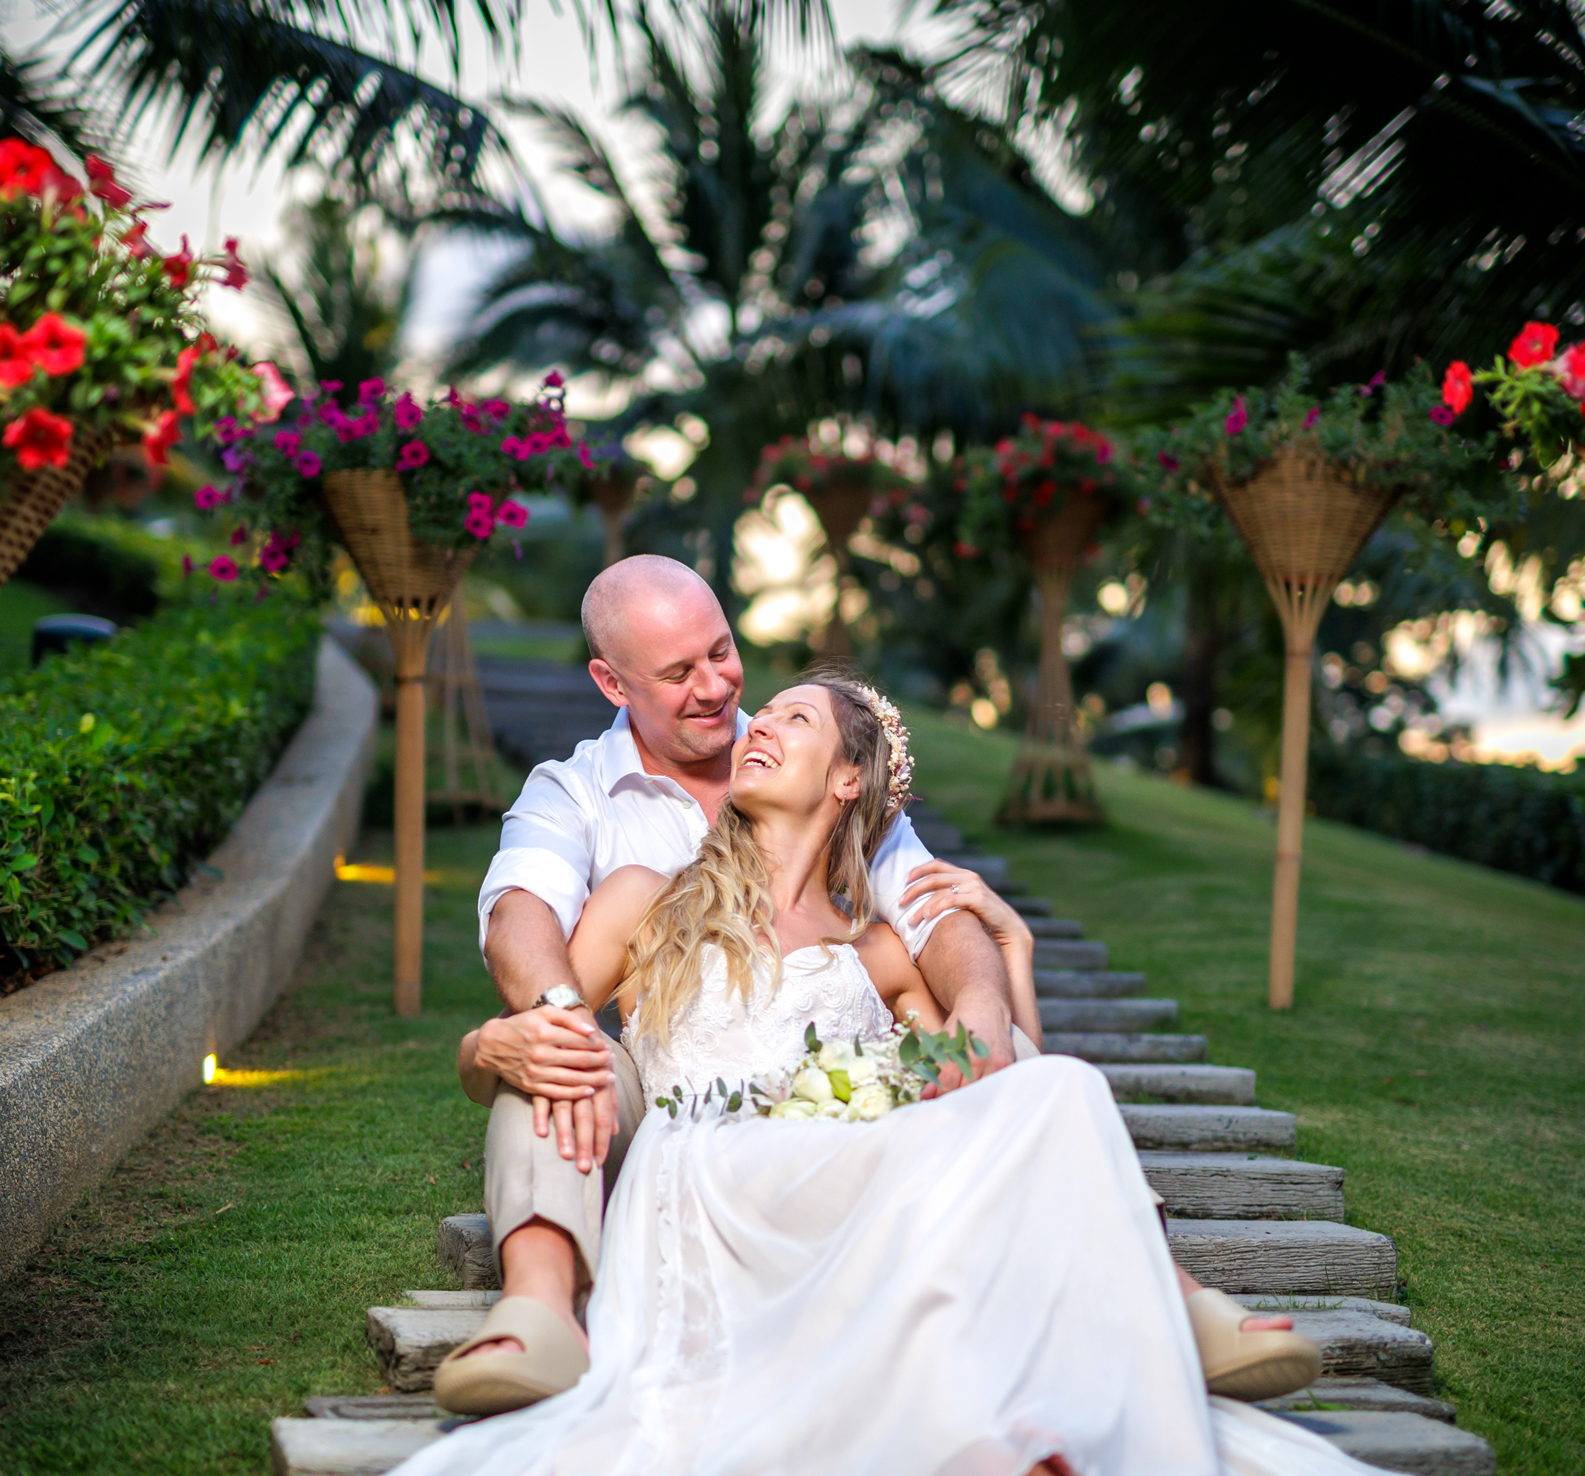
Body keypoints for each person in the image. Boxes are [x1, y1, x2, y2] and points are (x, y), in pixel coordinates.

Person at [307, 674, 1426, 1476]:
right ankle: (984, 1454)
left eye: (790, 720)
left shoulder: (874, 944)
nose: (756, 725)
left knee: (1063, 1082)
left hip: (853, 1166)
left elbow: (1001, 1074)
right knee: (628, 1077)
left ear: (848, 780)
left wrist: (1015, 957)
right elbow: (528, 1041)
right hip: (712, 1173)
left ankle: (1071, 1375)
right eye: (764, 715)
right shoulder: (644, 898)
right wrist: (477, 1042)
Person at [439, 557, 1316, 1415]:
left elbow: (940, 932)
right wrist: (529, 1027)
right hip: (675, 1134)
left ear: (848, 782)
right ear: (611, 681)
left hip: (821, 1151)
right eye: (678, 672)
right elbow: (520, 915)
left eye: (722, 652)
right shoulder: (601, 826)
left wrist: (994, 995)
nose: (720, 691)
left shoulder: (831, 827)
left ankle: (1162, 1291)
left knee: (1038, 1072)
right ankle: (543, 1309)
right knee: (560, 1051)